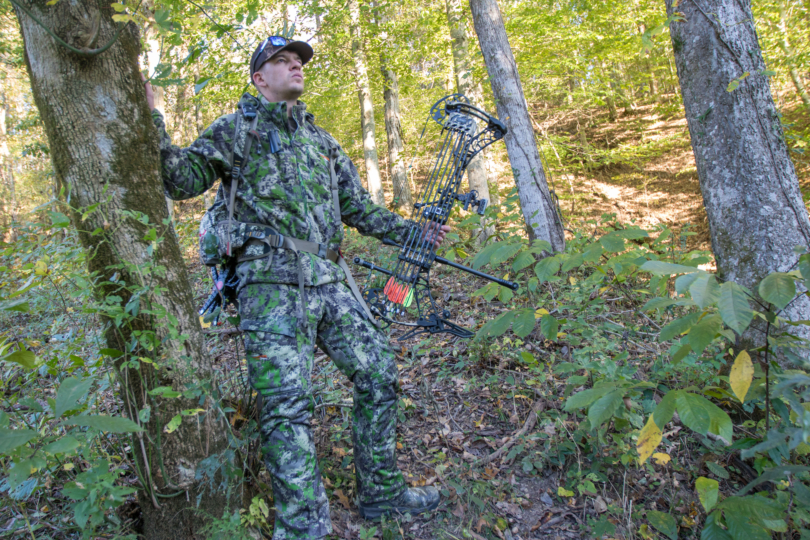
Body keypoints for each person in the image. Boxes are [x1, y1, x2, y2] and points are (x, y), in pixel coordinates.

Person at [143, 36, 447, 539]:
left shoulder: (320, 140)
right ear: (260, 78)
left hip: (330, 281)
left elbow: (358, 210)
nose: (295, 67)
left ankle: (382, 493)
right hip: (270, 286)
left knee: (379, 374)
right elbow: (179, 180)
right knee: (286, 407)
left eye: (298, 61)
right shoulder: (234, 130)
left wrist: (415, 233)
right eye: (282, 62)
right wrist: (152, 118)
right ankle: (304, 526)